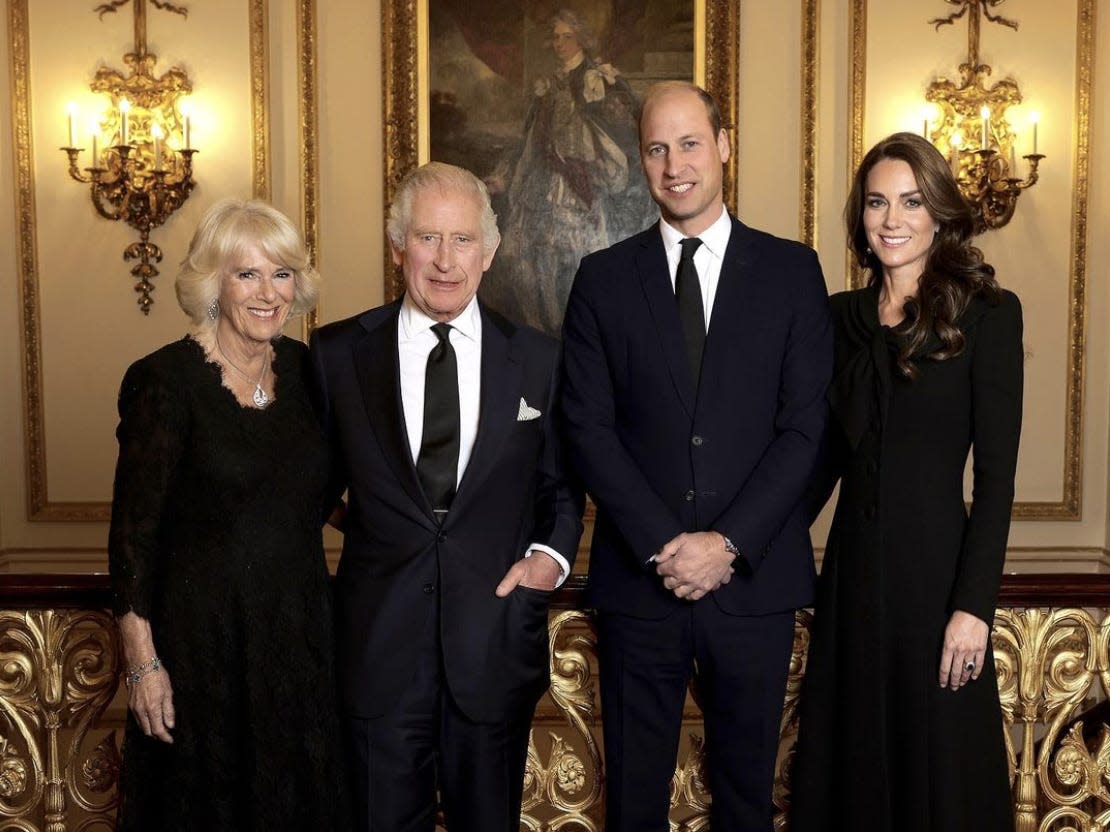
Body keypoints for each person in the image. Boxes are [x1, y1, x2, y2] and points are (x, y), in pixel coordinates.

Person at [561, 81, 833, 831]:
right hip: (640, 589)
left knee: (748, 802)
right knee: (635, 805)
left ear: (723, 146)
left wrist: (727, 544)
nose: (674, 163)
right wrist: (664, 547)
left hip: (754, 587)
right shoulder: (603, 280)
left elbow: (805, 431)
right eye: (656, 147)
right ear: (640, 162)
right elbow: (587, 429)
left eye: (689, 143)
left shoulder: (791, 272)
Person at [309, 161, 583, 832]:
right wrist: (373, 527)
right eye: (427, 238)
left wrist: (547, 559)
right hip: (376, 649)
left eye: (462, 240)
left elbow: (563, 484)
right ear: (397, 244)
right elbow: (306, 486)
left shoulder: (539, 360)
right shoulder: (337, 354)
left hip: (491, 642)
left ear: (489, 252)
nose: (444, 260)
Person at [789, 132, 1022, 831]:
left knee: (940, 778)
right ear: (859, 217)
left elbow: (999, 480)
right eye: (877, 202)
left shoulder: (988, 314)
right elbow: (818, 463)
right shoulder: (836, 319)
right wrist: (740, 547)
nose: (892, 219)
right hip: (853, 586)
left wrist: (973, 608)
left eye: (911, 201)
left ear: (940, 213)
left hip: (938, 591)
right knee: (850, 775)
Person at [108, 199, 347, 830]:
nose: (269, 293)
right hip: (202, 647)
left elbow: (321, 493)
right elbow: (134, 535)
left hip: (299, 639)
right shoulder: (164, 381)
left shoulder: (307, 370)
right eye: (248, 274)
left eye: (282, 274)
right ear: (213, 282)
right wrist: (142, 662)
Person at [483, 8, 656, 334]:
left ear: (582, 40)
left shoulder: (600, 78)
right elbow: (529, 138)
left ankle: (584, 329)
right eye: (556, 37)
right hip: (544, 181)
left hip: (584, 183)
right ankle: (544, 332)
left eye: (567, 37)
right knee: (534, 257)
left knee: (580, 255)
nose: (559, 43)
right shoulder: (546, 86)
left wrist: (597, 104)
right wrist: (504, 176)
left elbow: (627, 129)